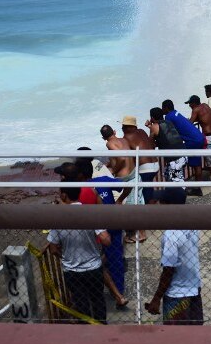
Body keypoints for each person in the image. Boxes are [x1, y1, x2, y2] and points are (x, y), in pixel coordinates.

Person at [47, 163, 110, 324]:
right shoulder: (89, 213)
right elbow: (105, 239)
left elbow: (53, 248)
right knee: (98, 301)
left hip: (71, 270)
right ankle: (102, 326)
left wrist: (66, 256)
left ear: (64, 196)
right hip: (93, 267)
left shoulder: (57, 219)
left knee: (81, 305)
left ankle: (86, 330)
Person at [73, 157, 129, 308]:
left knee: (99, 259)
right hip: (110, 225)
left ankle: (111, 292)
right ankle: (119, 293)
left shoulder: (78, 189)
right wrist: (119, 201)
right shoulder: (103, 180)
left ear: (79, 173)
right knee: (114, 259)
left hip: (93, 229)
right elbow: (127, 185)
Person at [144, 187, 203, 325]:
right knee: (195, 334)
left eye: (162, 203)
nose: (159, 206)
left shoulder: (171, 235)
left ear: (169, 206)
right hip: (194, 287)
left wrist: (156, 298)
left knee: (175, 339)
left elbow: (168, 270)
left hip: (177, 295)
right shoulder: (192, 222)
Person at [162, 99, 206, 185]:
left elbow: (167, 132)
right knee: (197, 164)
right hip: (199, 137)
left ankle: (186, 186)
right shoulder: (176, 113)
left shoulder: (168, 117)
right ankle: (198, 187)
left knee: (178, 161)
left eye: (163, 108)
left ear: (166, 108)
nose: (162, 110)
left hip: (192, 141)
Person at [101, 124, 143, 208]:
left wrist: (114, 170)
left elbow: (122, 158)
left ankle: (117, 202)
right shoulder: (124, 140)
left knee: (103, 183)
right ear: (114, 132)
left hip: (124, 177)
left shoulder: (109, 144)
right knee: (137, 199)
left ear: (103, 138)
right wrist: (108, 164)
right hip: (133, 172)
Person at [121, 115, 158, 204]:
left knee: (146, 192)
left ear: (129, 127)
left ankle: (150, 213)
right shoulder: (141, 131)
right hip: (156, 164)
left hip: (145, 168)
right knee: (148, 187)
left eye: (124, 126)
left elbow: (126, 156)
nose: (122, 128)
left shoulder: (126, 137)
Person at [146, 107, 187, 183]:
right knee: (168, 174)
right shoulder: (168, 122)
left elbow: (150, 144)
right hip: (183, 155)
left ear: (152, 118)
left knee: (177, 183)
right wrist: (150, 127)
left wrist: (150, 127)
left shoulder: (154, 127)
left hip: (175, 159)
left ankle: (181, 193)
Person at [187, 94, 211, 181]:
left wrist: (186, 120)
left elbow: (190, 124)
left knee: (210, 161)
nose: (189, 106)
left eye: (190, 104)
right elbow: (203, 117)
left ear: (194, 103)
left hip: (209, 137)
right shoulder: (205, 105)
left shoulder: (195, 110)